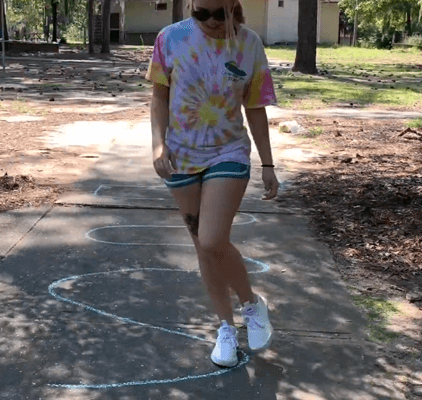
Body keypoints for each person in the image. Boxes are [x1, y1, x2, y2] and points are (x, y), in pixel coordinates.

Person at [145, 0, 278, 368]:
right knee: (203, 248)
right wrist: (158, 144)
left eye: (218, 14)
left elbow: (255, 107)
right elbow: (159, 96)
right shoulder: (169, 38)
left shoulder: (249, 44)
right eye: (200, 14)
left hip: (228, 153)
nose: (209, 22)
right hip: (181, 158)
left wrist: (267, 163)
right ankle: (225, 328)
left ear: (233, 7)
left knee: (212, 238)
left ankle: (251, 304)